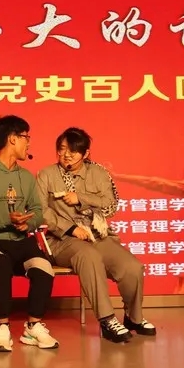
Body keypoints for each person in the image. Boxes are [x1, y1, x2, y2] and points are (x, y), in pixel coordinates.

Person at [36, 127, 156, 343]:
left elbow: (110, 204)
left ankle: (133, 317)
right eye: (62, 149)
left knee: (132, 267)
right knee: (88, 257)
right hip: (62, 239)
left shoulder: (99, 173)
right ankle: (107, 320)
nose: (66, 155)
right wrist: (71, 229)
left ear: (86, 153)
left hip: (97, 235)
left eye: (73, 150)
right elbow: (41, 211)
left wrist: (81, 198)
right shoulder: (47, 175)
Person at [0, 115, 58, 352]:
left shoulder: (25, 176)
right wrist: (7, 219)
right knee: (1, 266)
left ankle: (33, 326)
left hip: (21, 242)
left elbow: (37, 211)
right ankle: (3, 327)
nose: (29, 143)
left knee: (44, 268)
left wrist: (28, 224)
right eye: (26, 137)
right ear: (13, 139)